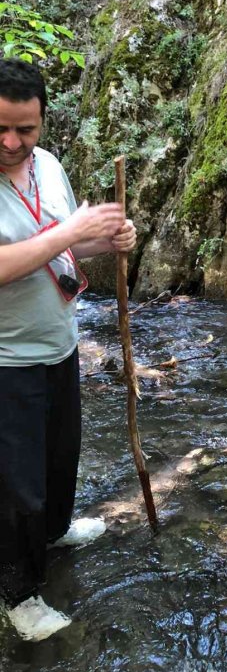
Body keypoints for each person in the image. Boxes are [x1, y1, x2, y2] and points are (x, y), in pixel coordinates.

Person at [0, 59, 136, 642]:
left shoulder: (50, 167)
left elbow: (64, 254)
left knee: (59, 460)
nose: (11, 142)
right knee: (13, 487)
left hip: (59, 344)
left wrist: (110, 241)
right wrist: (67, 233)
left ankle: (54, 532)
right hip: (6, 361)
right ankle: (18, 593)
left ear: (42, 122)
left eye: (25, 130)